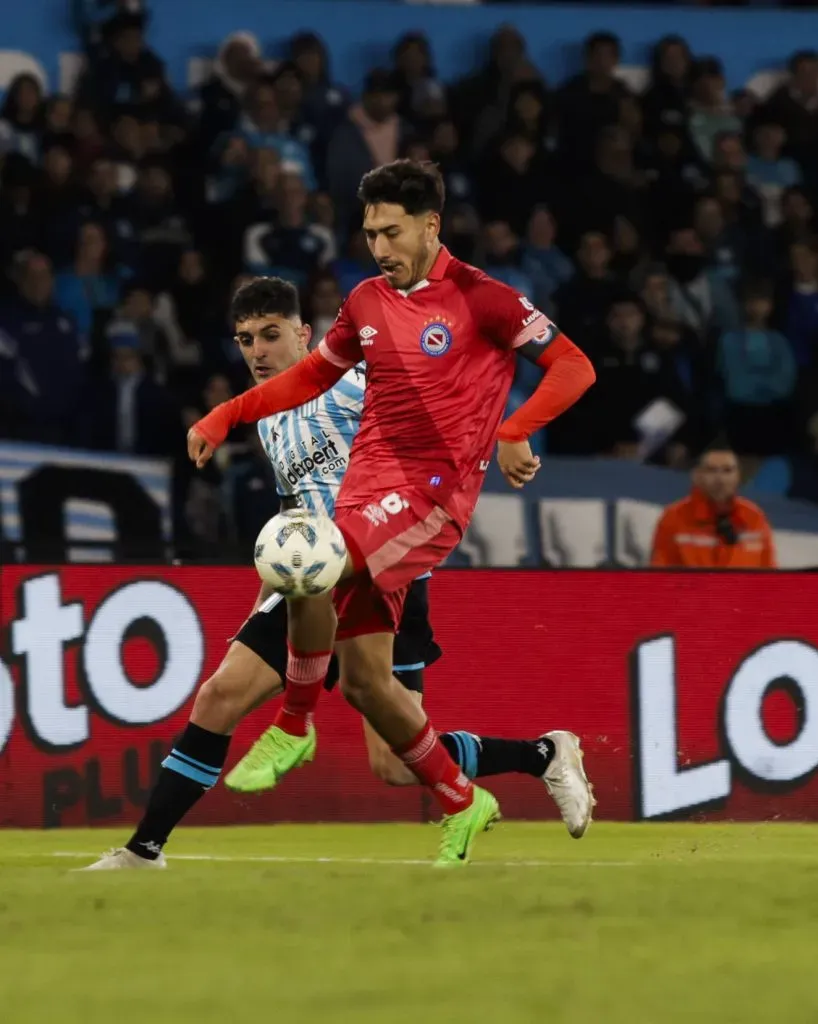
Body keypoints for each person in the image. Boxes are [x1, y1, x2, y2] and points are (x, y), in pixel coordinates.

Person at [82, 276, 589, 871]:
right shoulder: (270, 422)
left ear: (305, 335)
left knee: (394, 763)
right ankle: (145, 850)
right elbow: (292, 517)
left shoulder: (354, 384)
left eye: (271, 335)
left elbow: (438, 404)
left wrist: (510, 436)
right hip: (313, 580)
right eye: (245, 339)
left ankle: (541, 755)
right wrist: (261, 605)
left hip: (388, 575)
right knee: (220, 695)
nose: (257, 351)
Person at [186, 160, 596, 866]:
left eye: (391, 231)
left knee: (307, 560)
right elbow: (313, 373)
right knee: (374, 691)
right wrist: (226, 414)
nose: (378, 246)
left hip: (430, 493)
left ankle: (292, 723)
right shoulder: (368, 300)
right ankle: (474, 797)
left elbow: (573, 367)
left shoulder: (483, 298)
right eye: (370, 231)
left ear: (430, 226)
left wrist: (513, 430)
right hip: (363, 493)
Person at [650, 445, 777, 568]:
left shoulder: (754, 517)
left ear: (738, 477)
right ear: (697, 476)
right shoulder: (674, 517)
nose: (720, 479)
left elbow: (770, 578)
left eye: (727, 470)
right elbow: (660, 577)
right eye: (711, 470)